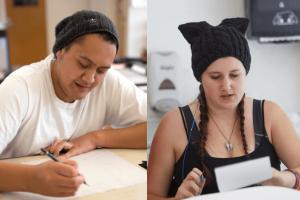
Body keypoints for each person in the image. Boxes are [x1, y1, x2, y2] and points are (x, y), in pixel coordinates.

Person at [147, 17, 300, 199]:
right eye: (215, 76)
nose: (226, 86)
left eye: (235, 75)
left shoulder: (270, 114)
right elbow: (151, 195)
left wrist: (285, 179)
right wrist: (178, 198)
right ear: (200, 77)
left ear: (246, 73)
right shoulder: (174, 124)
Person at [0, 10, 146, 197]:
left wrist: (96, 138)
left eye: (101, 70)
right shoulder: (20, 88)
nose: (90, 78)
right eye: (83, 64)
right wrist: (31, 179)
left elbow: (153, 128)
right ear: (60, 51)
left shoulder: (110, 82)